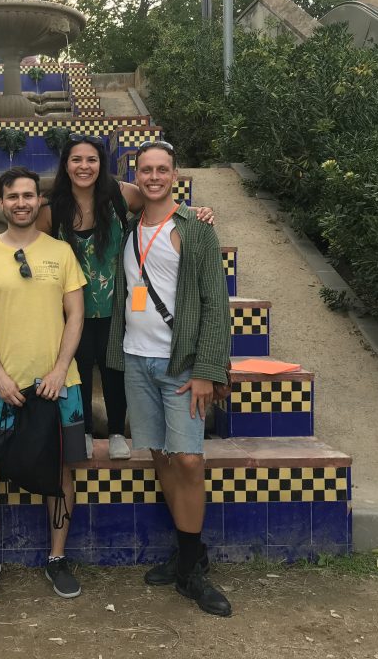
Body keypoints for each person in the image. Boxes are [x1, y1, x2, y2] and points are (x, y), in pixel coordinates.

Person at [106, 140, 233, 617]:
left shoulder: (194, 229)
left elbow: (215, 305)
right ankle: (186, 554)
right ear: (136, 176)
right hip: (137, 361)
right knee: (160, 455)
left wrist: (207, 371)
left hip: (180, 367)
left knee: (189, 461)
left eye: (162, 169)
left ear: (175, 174)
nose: (154, 176)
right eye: (146, 170)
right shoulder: (128, 226)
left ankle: (192, 567)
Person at [37, 134, 214, 460]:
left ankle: (117, 430)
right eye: (76, 159)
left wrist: (197, 212)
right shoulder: (51, 209)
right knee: (78, 370)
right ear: (66, 164)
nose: (84, 166)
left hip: (117, 307)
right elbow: (25, 244)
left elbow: (161, 204)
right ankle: (86, 431)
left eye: (91, 159)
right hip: (71, 310)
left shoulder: (120, 195)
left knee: (113, 370)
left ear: (101, 163)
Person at [0, 166, 87, 599]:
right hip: (1, 386)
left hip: (60, 384)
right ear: (1, 202)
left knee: (61, 471)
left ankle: (56, 558)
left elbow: (76, 315)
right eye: (13, 196)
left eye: (29, 196)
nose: (22, 203)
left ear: (40, 201)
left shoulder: (62, 253)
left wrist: (57, 370)